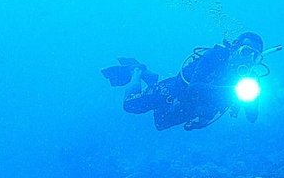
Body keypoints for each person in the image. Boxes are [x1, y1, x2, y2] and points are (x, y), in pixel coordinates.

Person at [101, 33, 272, 131]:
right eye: (246, 51)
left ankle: (149, 78)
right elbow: (195, 87)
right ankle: (137, 70)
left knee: (160, 124)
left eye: (254, 56)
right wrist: (234, 90)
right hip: (170, 94)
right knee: (130, 106)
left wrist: (253, 96)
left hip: (190, 109)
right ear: (235, 48)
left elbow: (251, 118)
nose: (248, 59)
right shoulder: (215, 56)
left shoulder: (250, 79)